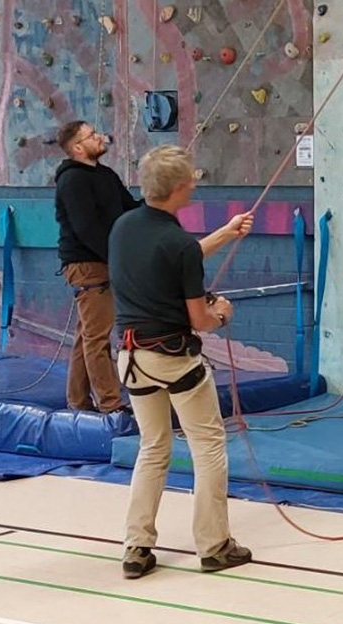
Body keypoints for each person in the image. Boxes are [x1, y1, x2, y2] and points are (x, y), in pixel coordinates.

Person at [109, 145, 254, 579]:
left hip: (132, 357)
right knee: (208, 446)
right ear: (177, 189)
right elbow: (200, 320)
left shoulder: (123, 227)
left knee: (153, 448)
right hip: (174, 358)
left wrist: (226, 233)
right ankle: (214, 546)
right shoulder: (178, 243)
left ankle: (136, 547)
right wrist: (221, 312)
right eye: (190, 178)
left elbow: (176, 256)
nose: (195, 182)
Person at [54, 119, 140, 414]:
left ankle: (78, 400)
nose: (100, 137)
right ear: (78, 147)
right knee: (97, 336)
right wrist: (115, 259)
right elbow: (86, 228)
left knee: (88, 333)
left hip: (103, 259)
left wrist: (156, 204)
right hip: (87, 263)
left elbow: (129, 208)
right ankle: (110, 403)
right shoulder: (72, 180)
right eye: (92, 136)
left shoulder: (105, 175)